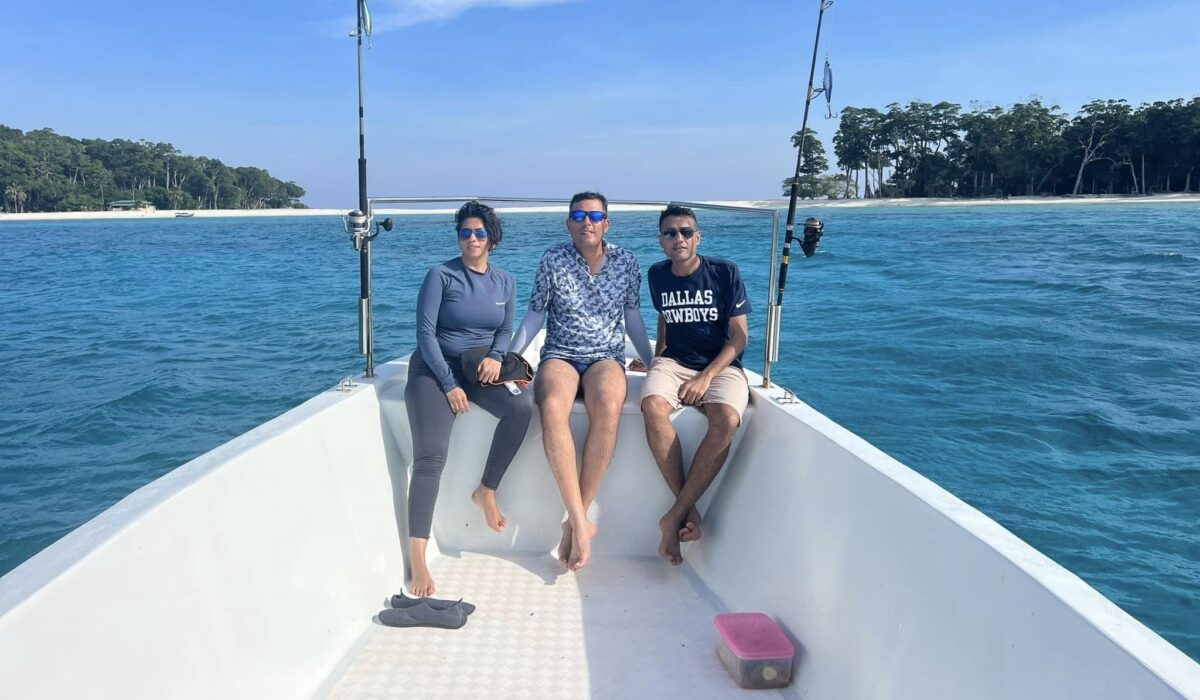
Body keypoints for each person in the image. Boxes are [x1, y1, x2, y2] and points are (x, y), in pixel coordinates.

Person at [511, 192, 654, 572]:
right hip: (560, 353)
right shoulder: (552, 259)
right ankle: (579, 520)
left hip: (606, 355)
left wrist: (653, 361)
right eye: (578, 215)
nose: (586, 221)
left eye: (594, 215)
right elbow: (535, 314)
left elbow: (633, 316)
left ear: (607, 222)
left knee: (608, 405)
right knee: (553, 405)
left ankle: (574, 521)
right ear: (569, 223)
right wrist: (511, 354)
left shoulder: (626, 261)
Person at [405, 200, 534, 596]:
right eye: (465, 232)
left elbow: (505, 329)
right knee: (430, 458)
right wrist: (448, 383)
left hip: (479, 366)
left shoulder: (505, 281)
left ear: (491, 238)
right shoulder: (441, 275)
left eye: (479, 232)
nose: (472, 239)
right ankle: (418, 561)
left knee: (521, 408)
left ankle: (486, 490)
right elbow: (425, 334)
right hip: (434, 368)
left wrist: (497, 358)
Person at [640, 205, 751, 565]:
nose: (679, 239)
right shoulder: (657, 275)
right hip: (673, 362)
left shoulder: (723, 272)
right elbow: (664, 320)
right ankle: (687, 512)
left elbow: (739, 336)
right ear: (661, 240)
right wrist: (656, 359)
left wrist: (706, 377)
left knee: (726, 422)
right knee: (652, 407)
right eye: (670, 233)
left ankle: (674, 515)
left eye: (685, 232)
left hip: (720, 365)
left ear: (697, 237)